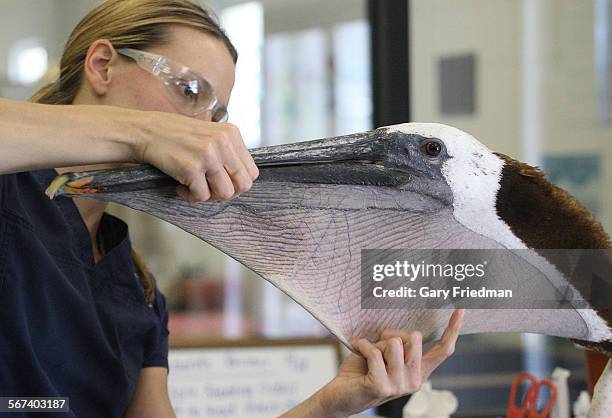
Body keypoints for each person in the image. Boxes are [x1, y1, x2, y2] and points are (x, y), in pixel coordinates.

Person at [0, 0, 464, 416]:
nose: (202, 128)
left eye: (216, 115)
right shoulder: (10, 195)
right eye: (188, 91)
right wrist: (143, 133)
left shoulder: (137, 290)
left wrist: (332, 403)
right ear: (102, 66)